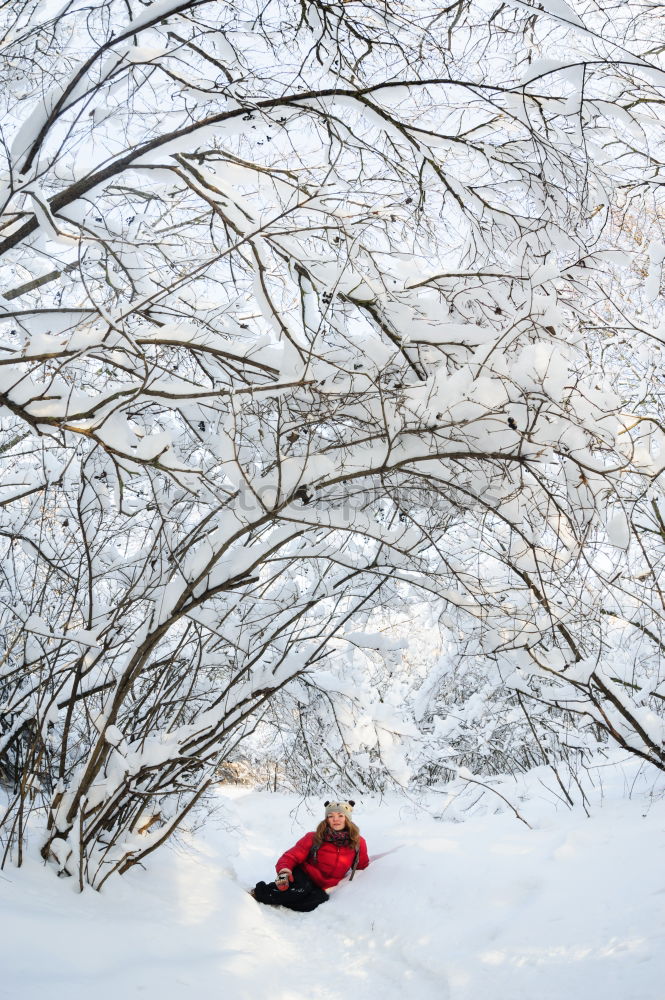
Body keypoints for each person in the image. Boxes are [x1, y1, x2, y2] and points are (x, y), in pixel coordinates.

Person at [252, 799, 369, 912]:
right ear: (326, 819)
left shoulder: (358, 842)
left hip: (322, 885)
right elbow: (291, 856)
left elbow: (362, 866)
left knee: (314, 902)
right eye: (331, 816)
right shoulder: (314, 837)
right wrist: (284, 871)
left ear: (347, 818)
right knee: (301, 889)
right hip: (304, 874)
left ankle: (286, 897)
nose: (335, 819)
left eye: (340, 815)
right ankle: (259, 893)